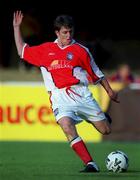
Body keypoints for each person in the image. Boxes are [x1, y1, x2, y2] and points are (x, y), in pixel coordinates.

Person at [13, 11, 119, 173]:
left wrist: (110, 91)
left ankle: (102, 117)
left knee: (106, 130)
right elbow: (22, 50)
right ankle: (90, 163)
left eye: (70, 32)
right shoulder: (45, 50)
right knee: (66, 126)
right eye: (64, 32)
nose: (68, 35)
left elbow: (96, 73)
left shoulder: (81, 50)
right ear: (57, 32)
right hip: (59, 97)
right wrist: (16, 27)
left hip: (81, 94)